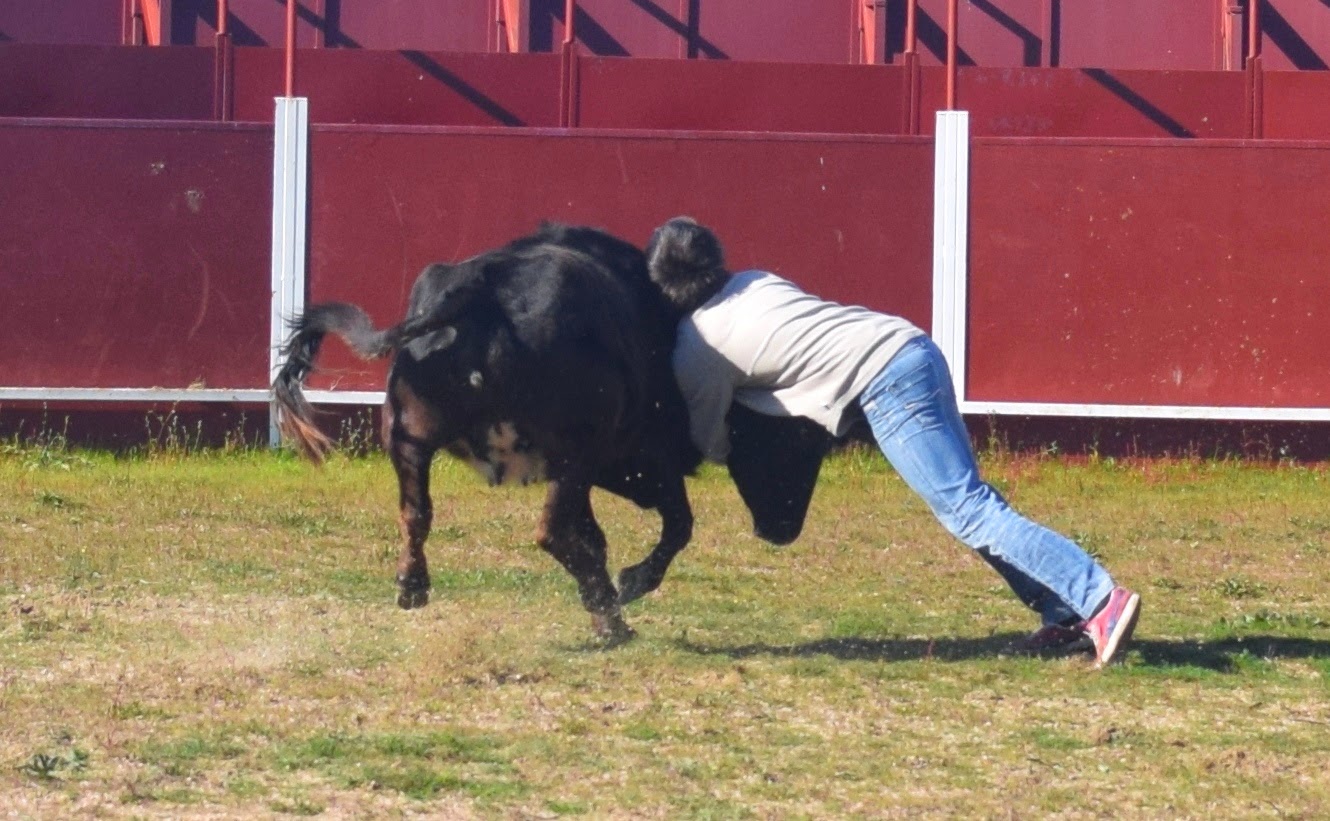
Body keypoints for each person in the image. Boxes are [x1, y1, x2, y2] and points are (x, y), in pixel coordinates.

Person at [646, 216, 1140, 667]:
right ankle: (1065, 612)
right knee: (970, 504)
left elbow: (708, 441)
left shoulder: (696, 348)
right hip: (912, 348)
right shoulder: (755, 280)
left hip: (885, 383)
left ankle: (1099, 600)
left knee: (968, 509)